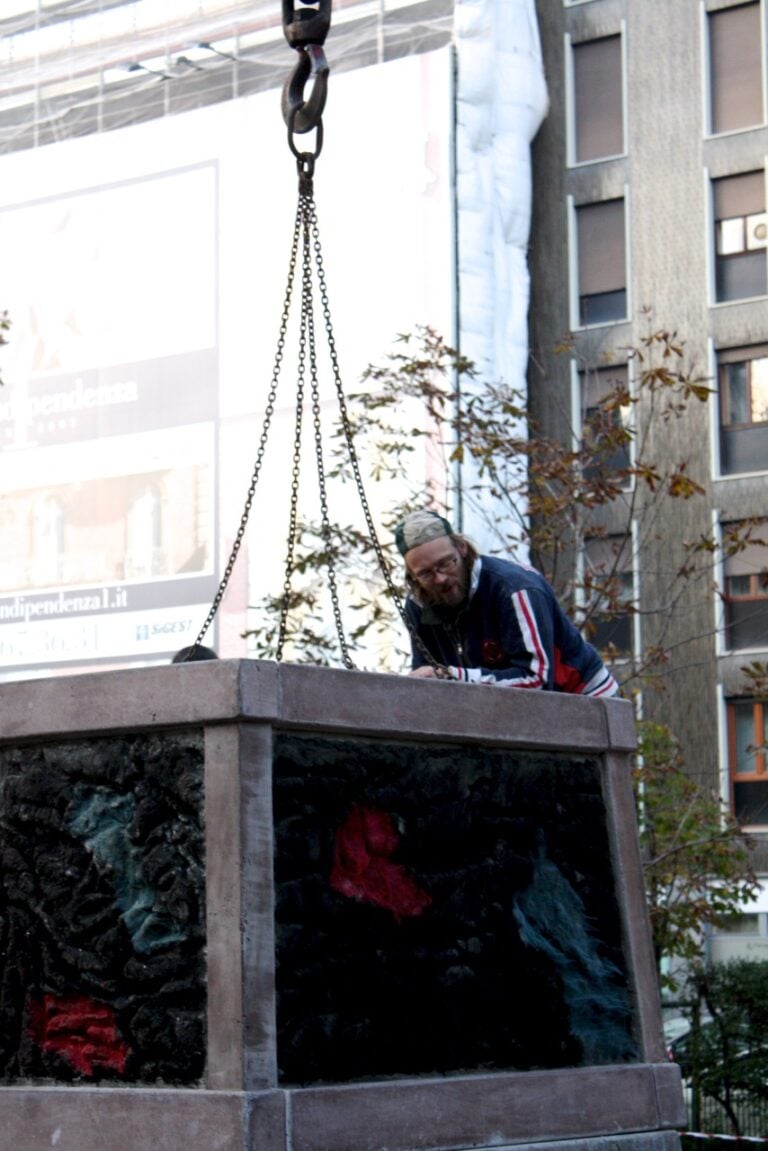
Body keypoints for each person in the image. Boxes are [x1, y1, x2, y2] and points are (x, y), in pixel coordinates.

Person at [394, 509, 619, 696]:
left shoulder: (515, 590)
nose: (440, 578)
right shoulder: (418, 608)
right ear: (412, 576)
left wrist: (450, 676)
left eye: (446, 563)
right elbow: (426, 680)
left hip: (583, 697)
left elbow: (536, 681)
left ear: (462, 548)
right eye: (425, 573)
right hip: (504, 710)